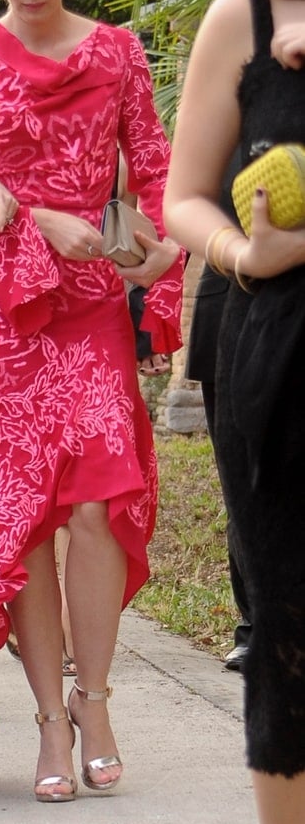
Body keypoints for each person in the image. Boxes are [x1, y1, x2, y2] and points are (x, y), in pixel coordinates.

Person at [0, 0, 182, 804]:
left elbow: (154, 163)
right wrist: (38, 219)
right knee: (29, 519)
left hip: (92, 312)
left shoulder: (115, 52)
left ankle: (98, 701)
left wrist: (157, 254)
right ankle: (48, 719)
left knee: (98, 504)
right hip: (0, 319)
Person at [163, 0, 305, 823]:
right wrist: (242, 254)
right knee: (292, 637)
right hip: (283, 360)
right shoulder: (245, 19)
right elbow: (183, 197)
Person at [185, 150, 252, 673]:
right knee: (244, 478)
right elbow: (185, 198)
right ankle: (256, 624)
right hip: (233, 291)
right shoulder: (234, 81)